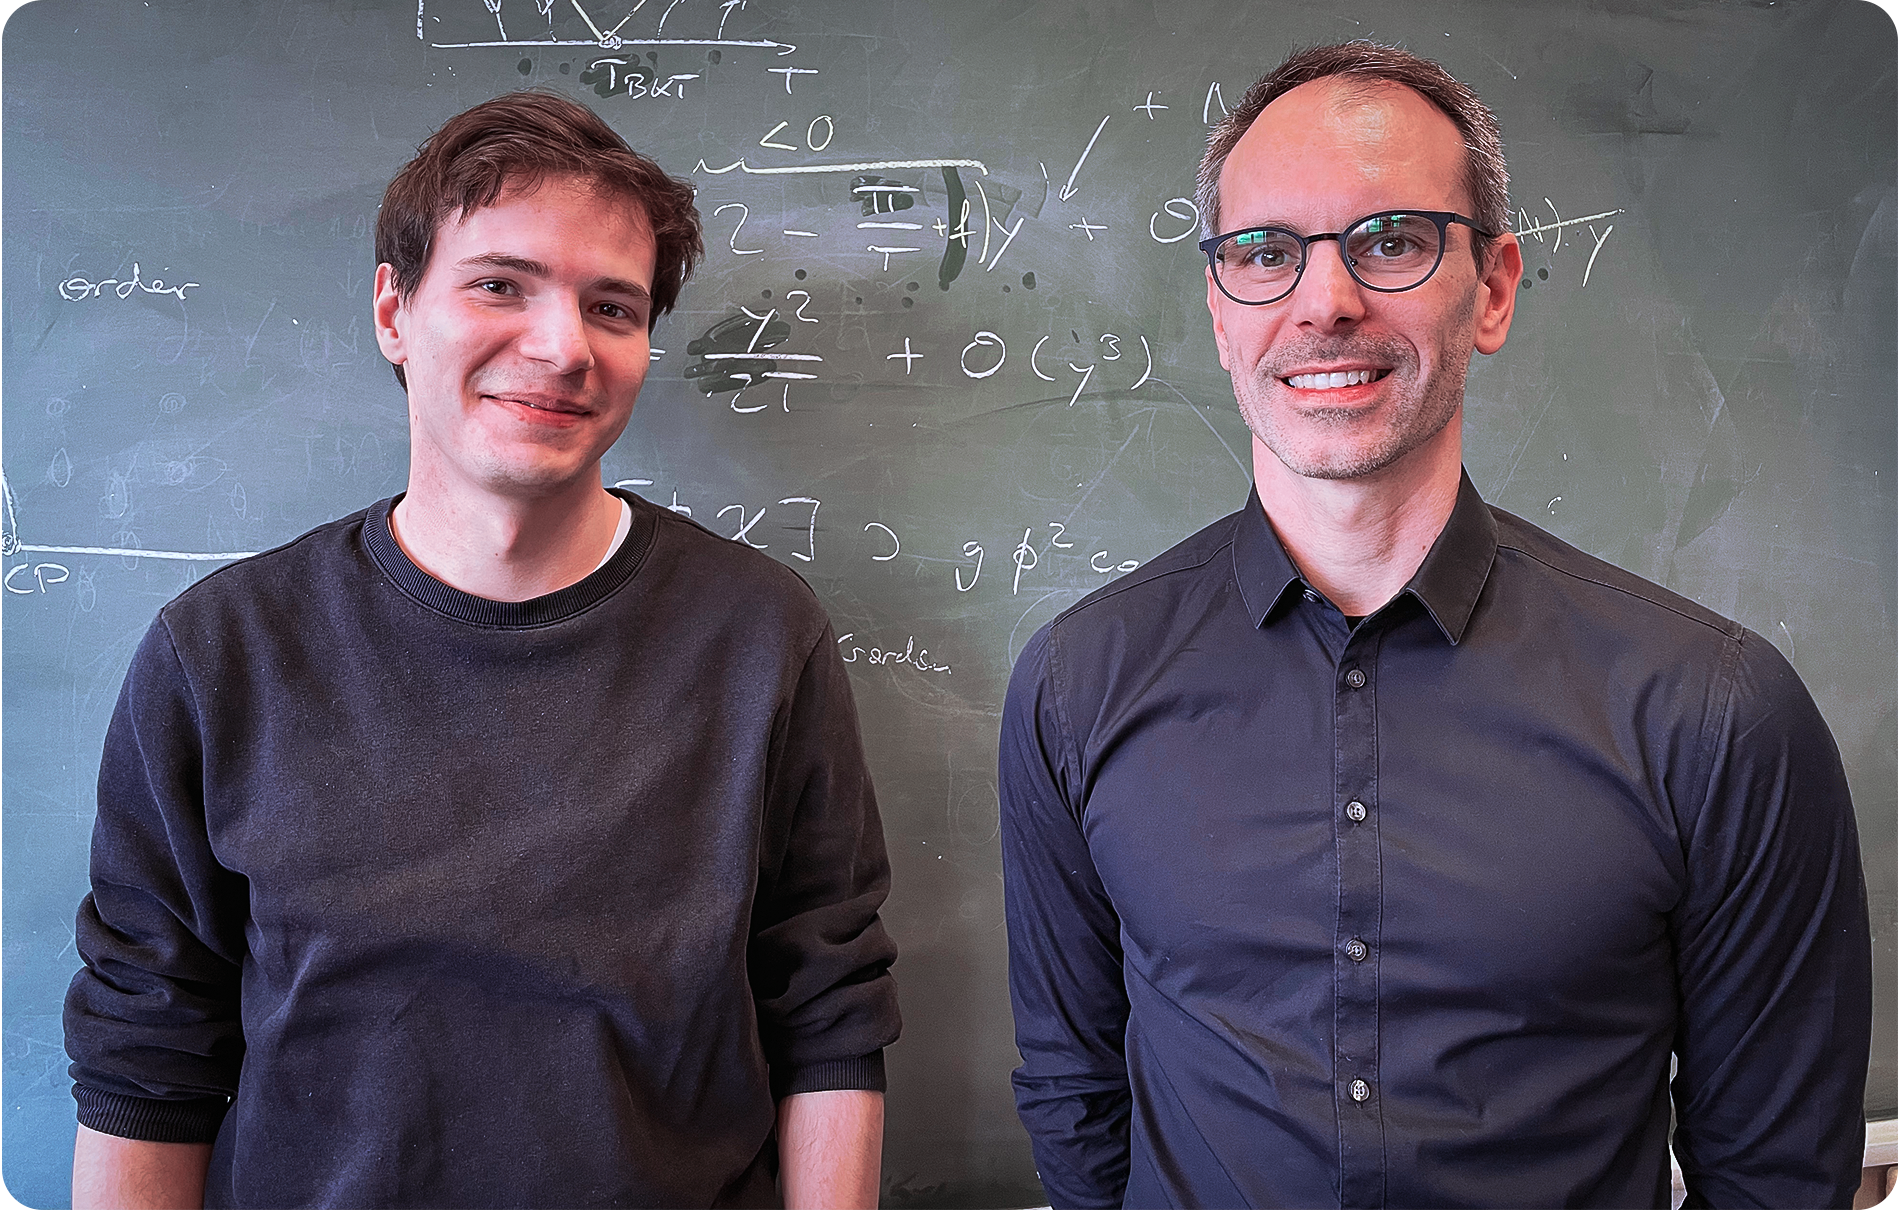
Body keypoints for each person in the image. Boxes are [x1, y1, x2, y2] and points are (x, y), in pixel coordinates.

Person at [1000, 41, 1871, 1210]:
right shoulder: (1074, 685)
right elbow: (1076, 1095)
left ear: (1495, 288)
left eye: (1391, 240)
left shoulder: (1712, 712)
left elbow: (1771, 1174)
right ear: (1219, 311)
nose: (1326, 300)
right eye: (1265, 253)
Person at [64, 91, 899, 1210]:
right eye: (500, 284)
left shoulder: (758, 635)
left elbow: (828, 1009)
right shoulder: (220, 654)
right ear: (393, 311)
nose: (560, 348)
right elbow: (145, 1054)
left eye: (612, 306)